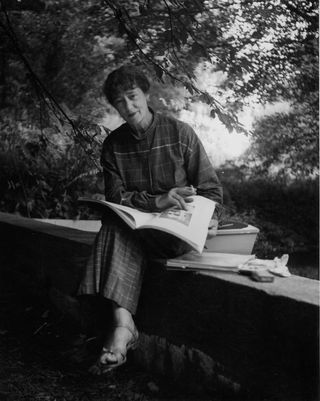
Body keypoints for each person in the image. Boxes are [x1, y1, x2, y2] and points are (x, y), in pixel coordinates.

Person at [78, 65, 223, 374]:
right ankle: (123, 326)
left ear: (146, 94)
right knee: (115, 223)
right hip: (135, 232)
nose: (129, 107)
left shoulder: (179, 133)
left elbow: (211, 189)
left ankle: (122, 331)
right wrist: (157, 200)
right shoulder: (113, 146)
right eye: (120, 102)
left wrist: (206, 217)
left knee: (116, 231)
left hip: (176, 236)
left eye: (133, 97)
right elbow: (116, 198)